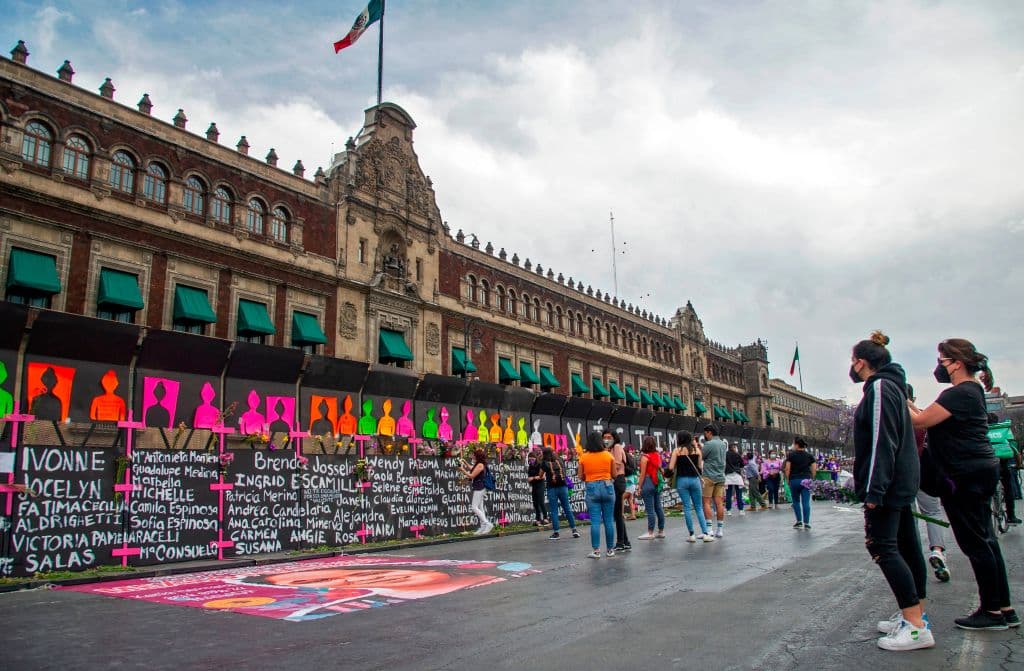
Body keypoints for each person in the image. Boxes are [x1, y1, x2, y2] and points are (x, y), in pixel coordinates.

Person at [909, 338, 1017, 630]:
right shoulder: (974, 391)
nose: (939, 366)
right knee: (986, 540)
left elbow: (920, 421)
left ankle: (991, 612)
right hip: (979, 469)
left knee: (975, 543)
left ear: (956, 363)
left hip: (963, 473)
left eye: (942, 360)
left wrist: (897, 396)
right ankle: (1004, 607)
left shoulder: (959, 393)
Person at [849, 331, 934, 651]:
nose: (852, 367)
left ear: (861, 362)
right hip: (898, 482)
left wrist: (874, 489)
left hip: (889, 484)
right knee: (907, 546)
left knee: (882, 546)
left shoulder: (881, 387)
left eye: (853, 361)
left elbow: (881, 441)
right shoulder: (891, 385)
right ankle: (915, 615)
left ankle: (914, 627)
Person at [907, 383, 951, 583]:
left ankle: (913, 558)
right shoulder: (922, 416)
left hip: (904, 475)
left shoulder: (889, 418)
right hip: (925, 472)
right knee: (932, 513)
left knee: (909, 518)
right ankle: (937, 550)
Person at [669, 431, 713, 542]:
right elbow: (699, 467)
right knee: (698, 507)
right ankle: (705, 533)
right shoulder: (697, 450)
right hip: (694, 480)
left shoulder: (676, 451)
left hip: (682, 480)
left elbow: (670, 468)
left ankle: (692, 535)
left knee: (687, 507)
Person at [579, 431, 617, 558]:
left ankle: (596, 551)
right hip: (607, 487)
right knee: (609, 521)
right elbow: (615, 475)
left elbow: (580, 476)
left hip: (591, 487)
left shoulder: (584, 457)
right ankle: (610, 549)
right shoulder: (608, 455)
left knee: (595, 521)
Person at [540, 446, 580, 540]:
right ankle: (574, 530)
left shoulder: (544, 463)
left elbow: (541, 475)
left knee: (554, 510)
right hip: (563, 487)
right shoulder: (560, 459)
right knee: (567, 508)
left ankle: (556, 532)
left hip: (552, 488)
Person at [606, 431, 632, 552]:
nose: (606, 439)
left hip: (617, 480)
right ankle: (625, 541)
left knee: (617, 512)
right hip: (616, 480)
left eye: (609, 437)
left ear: (614, 438)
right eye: (604, 437)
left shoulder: (616, 447)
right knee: (617, 513)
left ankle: (620, 542)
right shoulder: (609, 449)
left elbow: (616, 465)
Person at [701, 424, 728, 538]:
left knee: (707, 502)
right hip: (720, 476)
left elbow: (701, 456)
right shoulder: (723, 444)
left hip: (708, 475)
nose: (705, 435)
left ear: (709, 432)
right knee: (719, 503)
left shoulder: (708, 444)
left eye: (705, 433)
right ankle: (720, 529)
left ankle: (709, 528)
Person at [636, 436, 666, 539]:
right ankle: (661, 531)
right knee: (658, 507)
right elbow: (661, 468)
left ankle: (650, 532)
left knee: (650, 509)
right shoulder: (657, 455)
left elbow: (642, 474)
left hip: (648, 482)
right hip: (657, 482)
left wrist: (639, 487)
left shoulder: (645, 457)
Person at [784, 438, 816, 529]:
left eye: (794, 444)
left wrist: (788, 479)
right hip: (806, 480)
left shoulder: (791, 455)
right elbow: (814, 468)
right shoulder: (809, 456)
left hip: (794, 479)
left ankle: (799, 521)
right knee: (806, 502)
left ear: (797, 445)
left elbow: (787, 469)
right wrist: (812, 478)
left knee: (796, 501)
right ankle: (807, 523)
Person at [459, 448, 493, 535]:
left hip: (480, 487)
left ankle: (487, 523)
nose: (473, 456)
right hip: (479, 487)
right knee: (480, 507)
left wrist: (462, 470)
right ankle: (483, 526)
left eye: (474, 455)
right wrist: (466, 463)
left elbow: (472, 475)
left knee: (474, 507)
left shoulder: (480, 465)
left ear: (477, 456)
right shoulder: (478, 464)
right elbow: (472, 468)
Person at [526, 448, 549, 526]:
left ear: (535, 458)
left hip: (540, 485)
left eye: (532, 459)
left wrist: (534, 477)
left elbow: (542, 476)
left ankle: (546, 518)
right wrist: (534, 478)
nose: (531, 461)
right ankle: (538, 519)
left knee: (541, 501)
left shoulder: (540, 465)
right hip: (534, 485)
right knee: (535, 503)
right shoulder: (530, 467)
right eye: (529, 460)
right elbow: (529, 478)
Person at [725, 443, 746, 516]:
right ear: (733, 447)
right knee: (739, 493)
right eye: (735, 447)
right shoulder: (737, 455)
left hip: (728, 475)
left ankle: (728, 510)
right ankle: (741, 509)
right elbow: (742, 464)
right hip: (737, 475)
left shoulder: (725, 454)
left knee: (728, 494)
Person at [623, 447, 639, 519]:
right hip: (632, 486)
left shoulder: (625, 459)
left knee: (621, 498)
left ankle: (621, 514)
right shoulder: (631, 459)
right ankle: (633, 515)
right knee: (630, 500)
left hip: (628, 486)